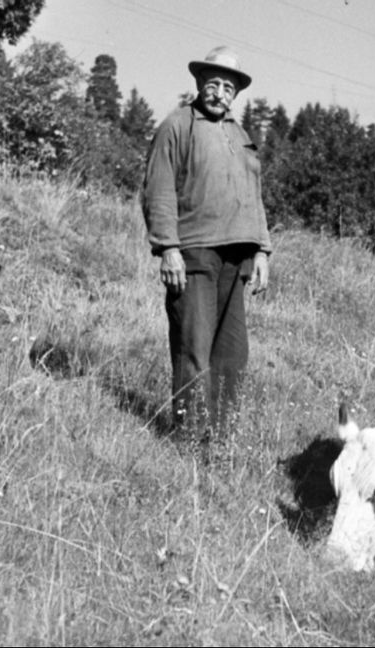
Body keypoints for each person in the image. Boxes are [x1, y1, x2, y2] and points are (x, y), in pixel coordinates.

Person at [141, 46, 271, 434]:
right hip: (194, 252)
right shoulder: (177, 125)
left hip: (238, 256)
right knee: (193, 348)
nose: (219, 93)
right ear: (198, 83)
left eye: (228, 87)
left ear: (236, 94)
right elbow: (158, 190)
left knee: (232, 354)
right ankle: (189, 437)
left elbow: (254, 194)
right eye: (213, 83)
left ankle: (221, 438)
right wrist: (169, 249)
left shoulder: (240, 134)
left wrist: (263, 249)